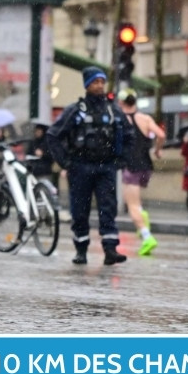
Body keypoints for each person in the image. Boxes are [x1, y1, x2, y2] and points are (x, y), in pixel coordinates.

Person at [47, 66, 133, 266]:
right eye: (95, 82)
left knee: (108, 208)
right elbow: (53, 135)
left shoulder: (113, 110)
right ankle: (81, 250)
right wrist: (65, 162)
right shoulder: (76, 110)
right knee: (79, 210)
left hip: (106, 168)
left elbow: (129, 136)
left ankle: (110, 249)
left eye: (102, 81)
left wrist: (121, 160)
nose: (100, 85)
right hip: (80, 167)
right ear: (87, 85)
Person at [118, 87, 164, 256]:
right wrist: (158, 151)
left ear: (121, 102)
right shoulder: (144, 118)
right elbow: (161, 134)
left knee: (132, 205)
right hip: (146, 165)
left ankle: (146, 236)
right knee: (137, 203)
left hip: (130, 166)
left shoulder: (121, 119)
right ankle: (142, 217)